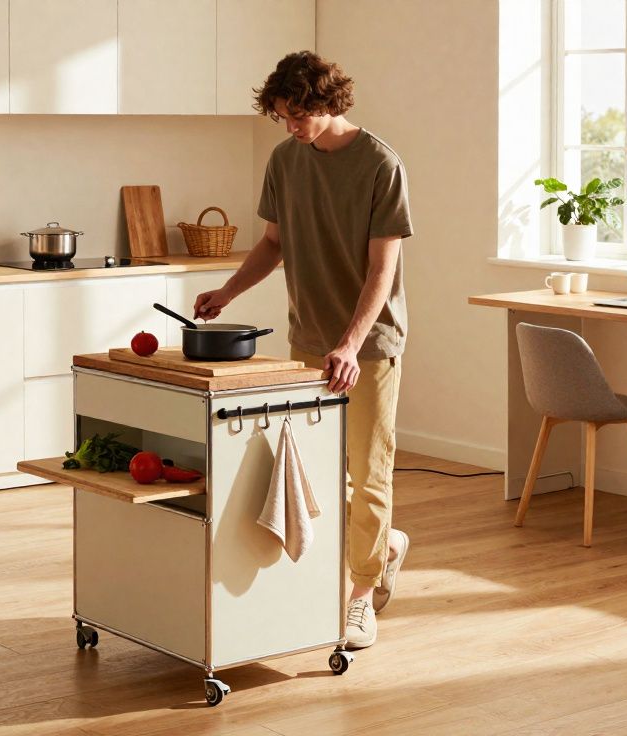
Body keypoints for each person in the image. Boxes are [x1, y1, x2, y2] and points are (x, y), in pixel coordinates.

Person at [194, 51, 412, 650]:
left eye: (298, 115)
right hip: (308, 338)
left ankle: (361, 594)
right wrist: (227, 292)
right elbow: (273, 243)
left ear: (327, 102)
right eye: (282, 116)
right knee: (314, 469)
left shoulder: (381, 165)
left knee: (367, 472)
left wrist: (350, 344)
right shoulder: (285, 160)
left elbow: (382, 270)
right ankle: (384, 547)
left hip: (367, 345)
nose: (290, 126)